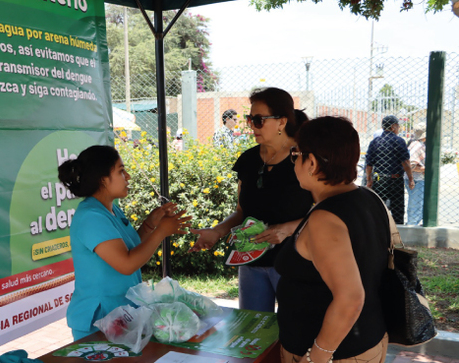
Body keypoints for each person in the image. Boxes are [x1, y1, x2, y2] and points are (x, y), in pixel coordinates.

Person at [276, 116, 389, 363]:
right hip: (368, 338)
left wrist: (316, 357)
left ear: (312, 163)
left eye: (296, 155)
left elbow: (350, 298)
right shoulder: (368, 198)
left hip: (336, 354)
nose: (293, 162)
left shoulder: (325, 219)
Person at [190, 87, 313, 312]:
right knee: (253, 331)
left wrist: (286, 229)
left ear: (282, 122)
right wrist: (217, 231)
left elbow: (324, 212)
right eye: (249, 119)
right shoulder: (248, 160)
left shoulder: (305, 158)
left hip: (295, 262)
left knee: (294, 333)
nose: (251, 125)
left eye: (258, 120)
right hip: (250, 262)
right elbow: (241, 212)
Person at [57, 145, 191, 340]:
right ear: (103, 179)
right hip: (99, 321)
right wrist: (161, 231)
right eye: (121, 171)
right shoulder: (91, 217)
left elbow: (130, 248)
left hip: (120, 315)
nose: (127, 176)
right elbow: (126, 264)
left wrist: (150, 224)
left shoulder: (109, 209)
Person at [366, 115, 414, 224]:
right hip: (395, 180)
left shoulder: (375, 142)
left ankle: (378, 232)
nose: (398, 129)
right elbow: (405, 162)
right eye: (398, 126)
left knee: (378, 209)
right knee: (397, 210)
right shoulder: (399, 141)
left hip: (379, 180)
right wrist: (410, 178)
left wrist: (369, 180)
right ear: (393, 127)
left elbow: (369, 165)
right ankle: (397, 233)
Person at [407, 132, 426, 225]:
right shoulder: (418, 146)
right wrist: (424, 169)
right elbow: (410, 165)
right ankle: (412, 225)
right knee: (416, 205)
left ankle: (414, 223)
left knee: (418, 204)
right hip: (417, 179)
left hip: (417, 178)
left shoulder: (415, 144)